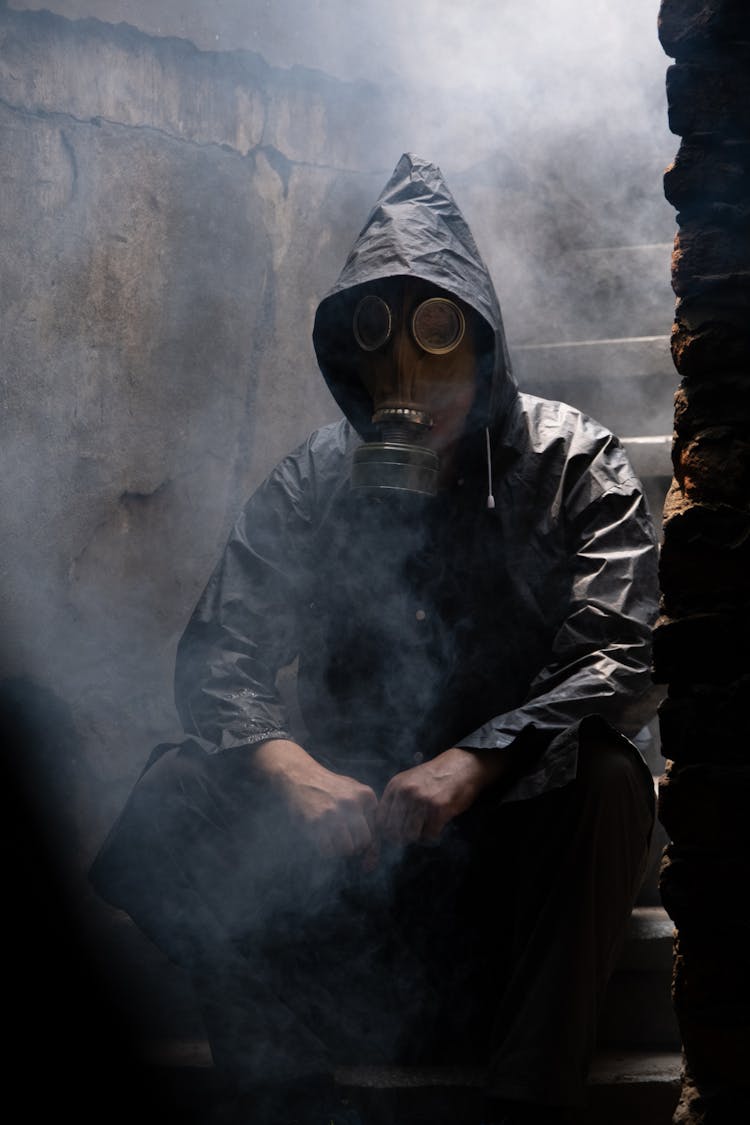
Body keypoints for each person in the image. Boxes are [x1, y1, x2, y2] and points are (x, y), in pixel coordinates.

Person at [90, 153, 659, 1125]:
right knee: (175, 795)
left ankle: (526, 1102)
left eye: (437, 336)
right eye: (379, 343)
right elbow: (221, 649)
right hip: (354, 872)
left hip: (510, 881)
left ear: (481, 340)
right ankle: (287, 1083)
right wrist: (292, 771)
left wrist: (474, 766)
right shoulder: (322, 477)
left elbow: (619, 653)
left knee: (609, 778)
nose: (412, 380)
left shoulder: (573, 461)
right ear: (347, 360)